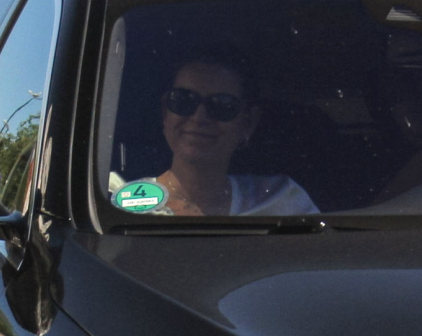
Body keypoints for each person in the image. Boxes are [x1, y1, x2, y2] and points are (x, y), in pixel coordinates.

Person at [115, 53, 317, 217]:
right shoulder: (125, 204)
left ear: (248, 123)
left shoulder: (282, 201)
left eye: (222, 105)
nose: (199, 117)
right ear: (165, 113)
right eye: (184, 101)